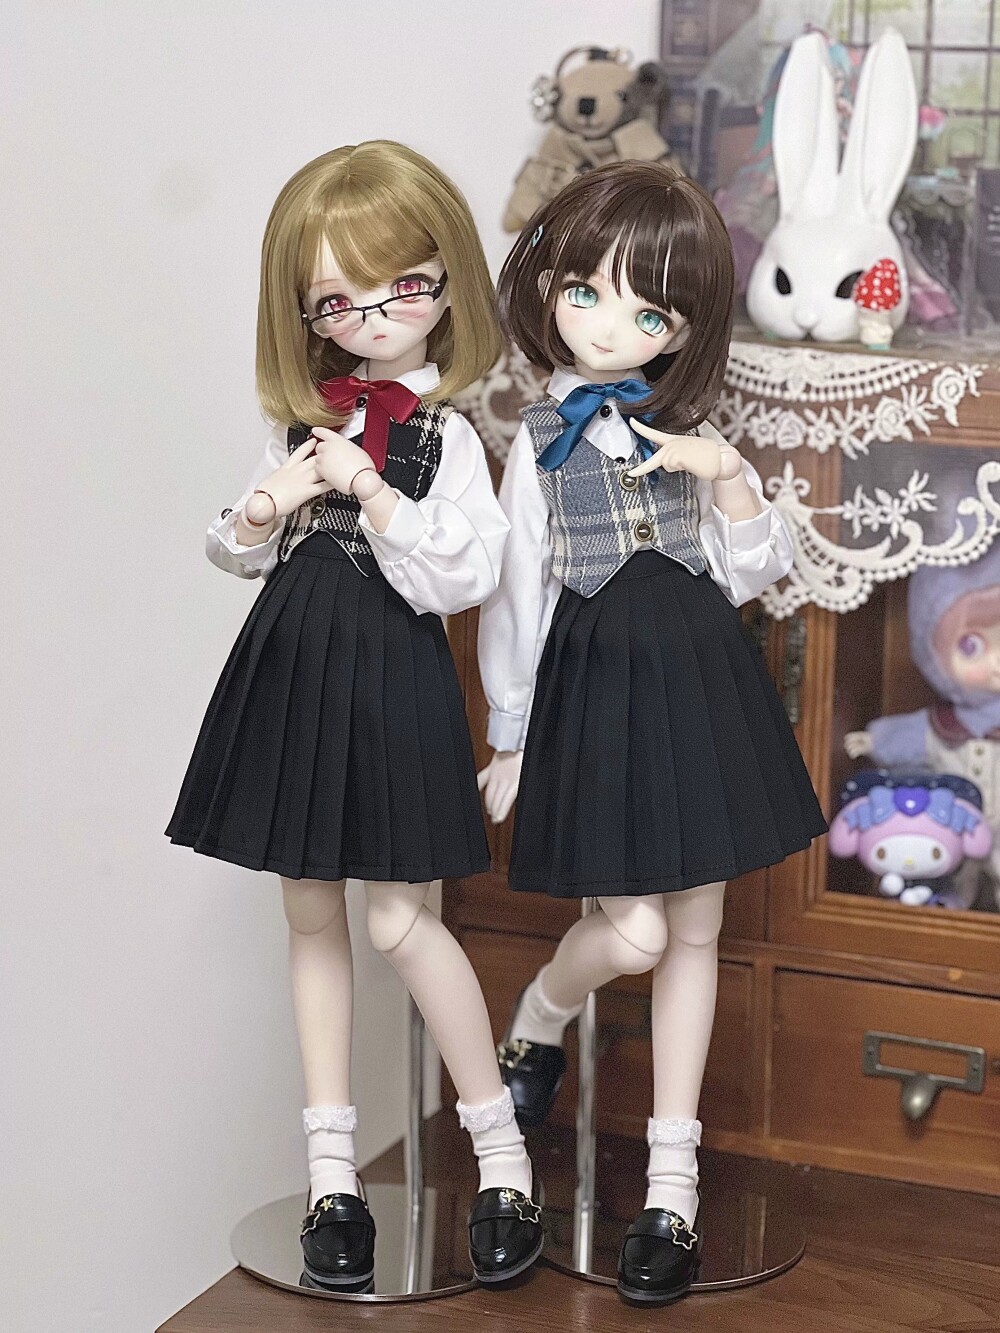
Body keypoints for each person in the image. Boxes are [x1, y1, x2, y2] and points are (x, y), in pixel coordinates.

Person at [168, 141, 542, 1291]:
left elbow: (461, 578)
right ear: (307, 315)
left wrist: (373, 491)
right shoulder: (301, 423)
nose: (373, 317)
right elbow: (237, 547)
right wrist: (265, 504)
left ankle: (499, 1152)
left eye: (402, 288)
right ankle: (331, 1174)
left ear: (446, 286)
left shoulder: (449, 439)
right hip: (292, 665)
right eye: (338, 301)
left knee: (401, 922)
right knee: (309, 913)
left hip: (391, 671)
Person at [477, 159, 827, 1306]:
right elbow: (518, 594)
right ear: (548, 287)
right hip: (594, 688)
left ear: (682, 327)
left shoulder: (692, 429)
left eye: (647, 311)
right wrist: (513, 733)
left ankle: (671, 1187)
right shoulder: (537, 439)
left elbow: (753, 568)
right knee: (629, 931)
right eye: (585, 292)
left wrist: (726, 475)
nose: (606, 325)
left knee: (694, 931)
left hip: (696, 678)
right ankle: (538, 1017)